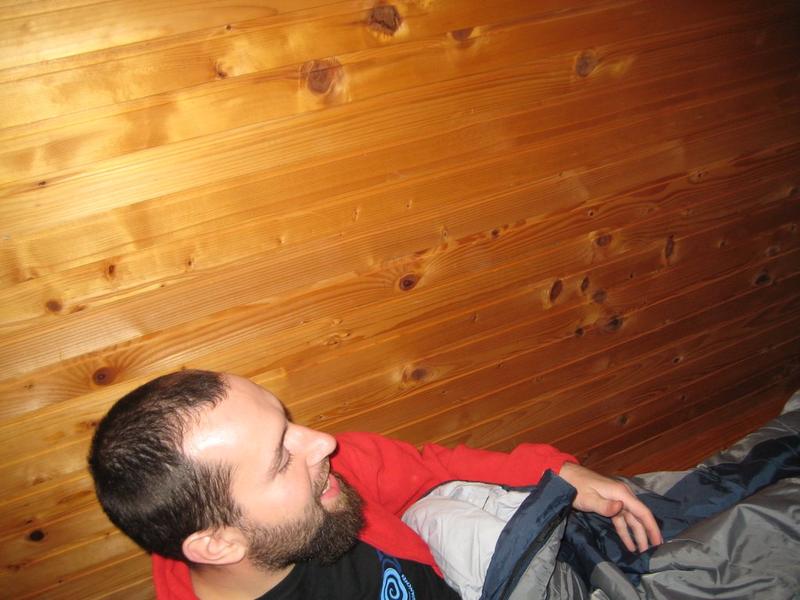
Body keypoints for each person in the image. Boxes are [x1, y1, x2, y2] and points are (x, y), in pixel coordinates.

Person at [88, 370, 662, 599]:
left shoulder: (330, 478)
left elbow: (432, 464)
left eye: (288, 422)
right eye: (280, 457)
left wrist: (558, 473)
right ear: (218, 543)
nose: (323, 443)